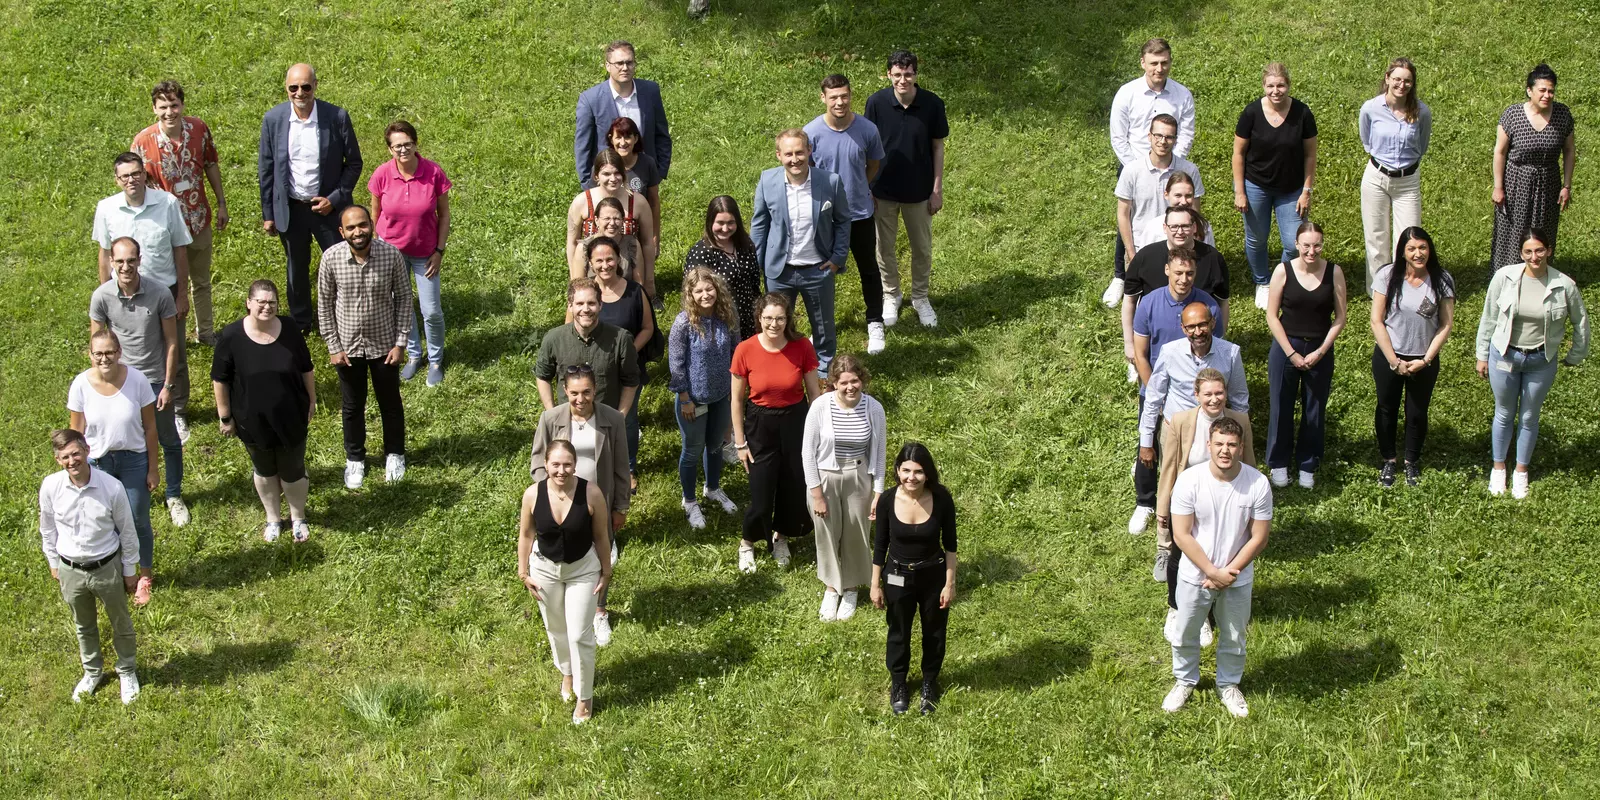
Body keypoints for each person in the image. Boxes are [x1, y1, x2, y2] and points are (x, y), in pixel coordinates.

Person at [1161, 416, 1271, 719]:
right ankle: (1185, 680)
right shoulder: (1190, 480)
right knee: (1185, 633)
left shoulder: (1257, 483)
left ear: (1241, 447)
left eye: (1232, 444)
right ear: (1208, 445)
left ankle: (1228, 685)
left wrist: (1228, 573)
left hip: (1237, 578)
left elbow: (1259, 537)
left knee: (1234, 636)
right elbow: (1181, 534)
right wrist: (1211, 571)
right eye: (1219, 443)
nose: (1225, 450)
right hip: (1195, 575)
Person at [1475, 230, 1590, 498]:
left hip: (1541, 360)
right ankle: (1499, 468)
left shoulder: (1564, 285)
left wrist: (1576, 354)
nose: (1534, 256)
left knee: (1529, 416)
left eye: (1539, 250)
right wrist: (1482, 354)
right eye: (1528, 251)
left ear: (1548, 250)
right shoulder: (1504, 277)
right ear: (1521, 253)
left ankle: (1521, 472)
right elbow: (1489, 316)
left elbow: (1580, 323)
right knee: (1503, 413)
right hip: (1504, 356)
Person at [92, 153, 193, 443]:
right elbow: (104, 253)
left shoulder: (167, 203)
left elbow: (180, 249)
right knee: (125, 351)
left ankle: (177, 409)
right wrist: (105, 295)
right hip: (122, 296)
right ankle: (131, 405)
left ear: (145, 174)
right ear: (117, 180)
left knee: (174, 351)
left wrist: (183, 294)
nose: (131, 180)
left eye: (136, 174)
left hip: (165, 292)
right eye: (124, 176)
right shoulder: (107, 208)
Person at [38, 428, 142, 705]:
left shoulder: (111, 487)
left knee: (120, 621)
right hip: (70, 568)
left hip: (107, 566)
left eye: (75, 453)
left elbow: (128, 532)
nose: (71, 461)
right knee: (83, 625)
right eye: (64, 457)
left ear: (86, 450)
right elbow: (47, 529)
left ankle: (127, 670)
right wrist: (53, 563)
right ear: (57, 459)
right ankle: (92, 672)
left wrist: (130, 570)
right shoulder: (51, 487)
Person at [89, 238, 188, 529]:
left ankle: (174, 496)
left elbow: (172, 342)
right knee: (124, 441)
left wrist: (169, 385)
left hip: (155, 380)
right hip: (120, 382)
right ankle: (120, 495)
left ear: (139, 260)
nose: (125, 267)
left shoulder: (159, 294)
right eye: (119, 261)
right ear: (111, 263)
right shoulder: (102, 296)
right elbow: (97, 344)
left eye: (131, 260)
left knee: (168, 438)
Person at [258, 63, 363, 332]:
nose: (300, 93)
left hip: (328, 209)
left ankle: (344, 317)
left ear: (316, 85)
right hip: (291, 208)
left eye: (306, 87)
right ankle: (301, 322)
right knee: (296, 267)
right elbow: (266, 168)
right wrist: (268, 214)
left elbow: (354, 163)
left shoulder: (336, 117)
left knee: (340, 264)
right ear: (286, 89)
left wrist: (335, 198)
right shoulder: (273, 120)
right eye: (294, 88)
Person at [529, 368, 629, 648]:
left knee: (601, 555)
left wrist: (620, 506)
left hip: (598, 503)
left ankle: (599, 610)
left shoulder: (612, 419)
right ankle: (568, 610)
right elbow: (538, 462)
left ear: (595, 390)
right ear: (564, 391)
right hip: (562, 507)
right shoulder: (550, 419)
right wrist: (551, 493)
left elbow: (622, 466)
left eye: (586, 392)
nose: (580, 399)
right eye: (574, 393)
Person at [211, 280, 316, 542]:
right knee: (264, 470)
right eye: (261, 302)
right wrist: (225, 416)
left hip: (291, 416)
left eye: (272, 302)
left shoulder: (290, 328)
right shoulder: (231, 336)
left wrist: (311, 401)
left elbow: (306, 367)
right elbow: (220, 379)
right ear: (248, 303)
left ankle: (298, 517)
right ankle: (272, 519)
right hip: (251, 420)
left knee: (293, 470)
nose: (267, 307)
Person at [517, 439, 612, 725]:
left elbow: (601, 536)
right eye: (555, 464)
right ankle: (567, 673)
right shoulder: (532, 495)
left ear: (575, 465)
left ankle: (585, 698)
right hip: (544, 571)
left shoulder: (591, 493)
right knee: (556, 629)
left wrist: (606, 571)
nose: (561, 470)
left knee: (578, 635)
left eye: (567, 464)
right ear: (545, 465)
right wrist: (524, 572)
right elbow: (525, 535)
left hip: (582, 569)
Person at [317, 205, 411, 490]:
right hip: (348, 349)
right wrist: (333, 346)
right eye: (351, 228)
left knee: (390, 404)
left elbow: (405, 298)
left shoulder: (390, 255)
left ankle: (394, 454)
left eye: (362, 225)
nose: (358, 232)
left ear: (371, 224)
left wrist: (400, 342)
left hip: (384, 346)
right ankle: (355, 458)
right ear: (342, 232)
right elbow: (324, 305)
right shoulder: (331, 259)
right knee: (352, 406)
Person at [1129, 251, 1222, 533]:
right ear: (1167, 270)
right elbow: (1141, 354)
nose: (1184, 279)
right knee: (1148, 448)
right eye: (1178, 273)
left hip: (1194, 396)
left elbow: (1210, 353)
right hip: (1155, 388)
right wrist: (1158, 397)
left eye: (1190, 274)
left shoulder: (1207, 305)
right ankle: (1145, 503)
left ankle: (1197, 505)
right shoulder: (1150, 303)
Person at [731, 293, 823, 572]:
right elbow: (736, 400)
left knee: (792, 485)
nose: (774, 324)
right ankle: (747, 543)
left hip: (795, 421)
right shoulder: (745, 350)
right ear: (759, 318)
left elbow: (814, 393)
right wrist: (739, 442)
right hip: (760, 425)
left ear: (787, 319)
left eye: (780, 318)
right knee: (760, 492)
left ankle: (779, 536)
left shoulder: (802, 346)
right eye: (768, 318)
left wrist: (818, 434)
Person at [1137, 301, 1247, 534]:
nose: (1198, 332)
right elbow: (1154, 398)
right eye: (1191, 327)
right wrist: (1146, 441)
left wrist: (1239, 437)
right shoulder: (1170, 352)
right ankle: (1167, 544)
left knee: (1215, 484)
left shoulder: (1230, 353)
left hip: (1216, 430)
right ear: (1183, 328)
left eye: (1203, 325)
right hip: (1176, 431)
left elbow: (1239, 399)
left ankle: (1211, 533)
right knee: (1173, 485)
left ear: (1213, 323)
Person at [131, 80, 227, 345]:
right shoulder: (142, 142)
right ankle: (173, 336)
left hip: (198, 220)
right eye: (163, 106)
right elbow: (135, 186)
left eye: (174, 105)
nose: (169, 112)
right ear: (154, 109)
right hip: (165, 228)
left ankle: (206, 333)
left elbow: (211, 164)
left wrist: (221, 203)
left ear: (182, 105)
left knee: (201, 282)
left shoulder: (198, 129)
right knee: (167, 284)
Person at [67, 330, 159, 607]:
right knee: (108, 521)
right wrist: (76, 470)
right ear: (90, 355)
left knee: (138, 520)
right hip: (98, 463)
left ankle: (144, 576)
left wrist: (153, 468)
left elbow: (151, 427)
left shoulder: (138, 380)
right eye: (98, 353)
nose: (104, 358)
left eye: (109, 352)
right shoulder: (81, 384)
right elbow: (76, 432)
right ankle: (118, 572)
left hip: (134, 459)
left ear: (119, 352)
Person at [750, 128, 851, 378]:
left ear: (809, 151)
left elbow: (843, 221)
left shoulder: (830, 182)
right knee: (776, 325)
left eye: (799, 152)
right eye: (788, 154)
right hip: (779, 271)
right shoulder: (767, 181)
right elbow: (760, 224)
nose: (794, 159)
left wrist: (837, 258)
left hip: (818, 269)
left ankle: (824, 373)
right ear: (778, 156)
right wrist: (759, 262)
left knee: (824, 327)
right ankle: (782, 371)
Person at [1106, 37, 1196, 306]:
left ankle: (1171, 269)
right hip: (1133, 165)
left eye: (1164, 62)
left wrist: (1172, 161)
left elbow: (1187, 133)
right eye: (1154, 63)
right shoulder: (1127, 93)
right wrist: (1138, 167)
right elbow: (1118, 136)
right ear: (1143, 63)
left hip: (1172, 166)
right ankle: (1122, 276)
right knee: (1131, 218)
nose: (1159, 68)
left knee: (1173, 216)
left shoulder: (1182, 95)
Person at [870, 441, 957, 715]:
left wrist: (949, 583)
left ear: (927, 473)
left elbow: (951, 543)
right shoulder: (886, 500)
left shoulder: (942, 499)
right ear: (897, 471)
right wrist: (875, 583)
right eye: (906, 470)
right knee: (898, 631)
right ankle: (899, 683)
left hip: (932, 575)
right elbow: (880, 544)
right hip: (896, 575)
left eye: (918, 471)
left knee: (934, 631)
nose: (911, 477)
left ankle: (930, 682)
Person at [1155, 369, 1255, 601]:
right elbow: (1169, 466)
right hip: (1189, 498)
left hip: (1228, 496)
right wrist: (1163, 507)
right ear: (1197, 394)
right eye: (1208, 393)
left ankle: (1221, 604)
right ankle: (1175, 605)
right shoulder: (1180, 421)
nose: (1214, 399)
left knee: (1225, 552)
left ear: (1226, 393)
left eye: (1219, 393)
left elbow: (1249, 461)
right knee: (1180, 554)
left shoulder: (1240, 420)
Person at [866, 49, 949, 328]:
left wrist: (936, 189)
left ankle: (920, 297)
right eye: (898, 74)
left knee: (922, 248)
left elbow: (938, 146)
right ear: (889, 74)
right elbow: (868, 148)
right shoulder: (876, 103)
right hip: (882, 192)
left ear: (916, 74)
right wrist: (867, 186)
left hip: (919, 192)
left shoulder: (932, 104)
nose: (903, 80)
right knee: (884, 248)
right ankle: (892, 295)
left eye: (909, 74)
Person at [806, 74, 889, 355]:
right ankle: (821, 327)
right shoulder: (812, 133)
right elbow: (806, 173)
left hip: (860, 213)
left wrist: (861, 187)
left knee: (869, 268)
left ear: (851, 95)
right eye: (834, 97)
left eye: (844, 96)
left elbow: (874, 165)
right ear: (823, 98)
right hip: (825, 217)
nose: (840, 102)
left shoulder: (867, 130)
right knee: (821, 273)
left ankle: (875, 321)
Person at [1264, 222, 1348, 489]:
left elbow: (1340, 317)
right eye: (1307, 245)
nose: (1312, 251)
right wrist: (1290, 352)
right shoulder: (1283, 270)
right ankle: (1279, 463)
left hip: (1320, 350)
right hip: (1285, 348)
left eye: (1317, 245)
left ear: (1322, 245)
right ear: (1297, 245)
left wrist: (1321, 351)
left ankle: (1307, 464)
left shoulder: (1334, 272)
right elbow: (1271, 315)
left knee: (1314, 409)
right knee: (1281, 406)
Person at [803, 353, 886, 622]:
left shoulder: (874, 408)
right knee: (827, 534)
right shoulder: (820, 407)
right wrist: (817, 494)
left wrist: (878, 492)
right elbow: (807, 453)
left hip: (858, 475)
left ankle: (850, 589)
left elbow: (881, 454)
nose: (850, 387)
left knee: (857, 533)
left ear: (862, 380)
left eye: (855, 381)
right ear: (833, 384)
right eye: (844, 382)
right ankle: (831, 587)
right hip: (825, 476)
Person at [369, 120, 452, 386]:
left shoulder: (433, 172)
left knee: (431, 311)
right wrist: (376, 245)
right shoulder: (381, 174)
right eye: (397, 146)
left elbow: (444, 214)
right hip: (391, 253)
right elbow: (375, 213)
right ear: (389, 149)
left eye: (407, 144)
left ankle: (436, 359)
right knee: (401, 308)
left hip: (425, 253)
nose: (403, 150)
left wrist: (439, 250)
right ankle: (415, 355)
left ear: (416, 144)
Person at [1370, 227, 1455, 487]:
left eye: (1423, 247)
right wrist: (1394, 361)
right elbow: (1376, 320)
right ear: (1403, 252)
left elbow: (1446, 324)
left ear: (1430, 249)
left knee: (1417, 412)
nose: (1418, 253)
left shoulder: (1442, 279)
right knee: (1387, 408)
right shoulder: (1387, 275)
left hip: (1423, 358)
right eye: (1412, 249)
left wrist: (1426, 360)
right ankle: (1388, 460)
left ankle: (1411, 461)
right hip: (1389, 355)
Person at [1232, 62, 1318, 309]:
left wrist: (1306, 191)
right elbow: (1238, 153)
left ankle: (1280, 277)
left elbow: (1310, 155)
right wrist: (1240, 191)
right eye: (1270, 86)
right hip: (1256, 185)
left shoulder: (1302, 113)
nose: (1276, 90)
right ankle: (1263, 282)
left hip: (1292, 189)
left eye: (1280, 85)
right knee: (1256, 239)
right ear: (1263, 86)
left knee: (1294, 243)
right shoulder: (1251, 113)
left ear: (1289, 86)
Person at [574, 236, 655, 487]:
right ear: (590, 262)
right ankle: (591, 465)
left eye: (610, 259)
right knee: (591, 417)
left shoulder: (634, 291)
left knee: (626, 420)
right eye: (598, 260)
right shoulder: (585, 294)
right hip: (591, 371)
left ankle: (627, 468)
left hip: (627, 370)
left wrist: (626, 352)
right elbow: (570, 327)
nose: (605, 265)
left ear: (618, 259)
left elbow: (647, 328)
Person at [1123, 205, 1231, 381]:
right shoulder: (1146, 258)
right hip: (1156, 356)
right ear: (1165, 228)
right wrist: (1129, 345)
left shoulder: (1212, 259)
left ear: (1194, 227)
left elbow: (1222, 304)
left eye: (1185, 226)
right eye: (1174, 226)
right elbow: (1130, 300)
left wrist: (1218, 340)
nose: (1184, 279)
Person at [669, 267, 741, 528]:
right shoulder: (683, 323)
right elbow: (676, 364)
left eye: (709, 288)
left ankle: (712, 488)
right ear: (690, 294)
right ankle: (689, 501)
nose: (705, 294)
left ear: (717, 289)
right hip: (693, 398)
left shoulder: (727, 318)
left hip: (721, 395)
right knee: (692, 449)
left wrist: (735, 391)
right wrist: (685, 398)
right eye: (698, 290)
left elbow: (737, 353)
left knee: (715, 445)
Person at [1490, 64, 1576, 272]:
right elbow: (1500, 152)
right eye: (1542, 90)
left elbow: (1570, 150)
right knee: (1513, 230)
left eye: (1551, 90)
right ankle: (1507, 274)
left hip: (1549, 180)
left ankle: (1539, 273)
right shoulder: (1513, 115)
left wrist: (1566, 186)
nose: (1547, 95)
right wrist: (1498, 186)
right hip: (1517, 180)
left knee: (1543, 229)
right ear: (1530, 91)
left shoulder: (1563, 115)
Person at [534, 278, 642, 438]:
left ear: (600, 305)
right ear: (570, 306)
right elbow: (543, 376)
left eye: (591, 303)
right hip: (567, 426)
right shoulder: (554, 339)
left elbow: (631, 381)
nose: (586, 309)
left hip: (605, 427)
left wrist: (620, 417)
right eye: (579, 304)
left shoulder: (620, 339)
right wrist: (552, 414)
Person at [1359, 57, 1430, 294]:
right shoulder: (1370, 108)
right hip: (1376, 177)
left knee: (1410, 239)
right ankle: (1379, 291)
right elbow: (1366, 139)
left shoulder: (1421, 111)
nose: (1402, 85)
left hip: (1408, 181)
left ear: (1413, 83)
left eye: (1407, 81)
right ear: (1387, 79)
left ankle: (1405, 289)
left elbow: (1422, 144)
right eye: (1397, 79)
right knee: (1376, 238)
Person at [566, 149, 658, 304]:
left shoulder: (639, 202)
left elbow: (648, 242)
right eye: (606, 174)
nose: (613, 179)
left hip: (628, 269)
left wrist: (649, 282)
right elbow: (572, 243)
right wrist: (575, 278)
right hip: (593, 271)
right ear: (596, 176)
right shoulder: (581, 202)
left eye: (617, 173)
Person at [575, 41, 672, 187]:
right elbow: (583, 147)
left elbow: (661, 134)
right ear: (607, 66)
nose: (625, 68)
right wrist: (588, 184)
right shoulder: (590, 99)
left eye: (629, 62)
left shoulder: (650, 91)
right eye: (619, 63)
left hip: (643, 178)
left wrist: (660, 172)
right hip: (607, 182)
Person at [1115, 114, 1203, 265]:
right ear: (1149, 136)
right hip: (1141, 248)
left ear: (1175, 140)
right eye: (1158, 136)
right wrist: (1131, 253)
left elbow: (1195, 212)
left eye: (1169, 137)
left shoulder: (1189, 170)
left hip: (1179, 249)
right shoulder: (1131, 171)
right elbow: (1123, 215)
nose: (1163, 141)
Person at [685, 196, 763, 341]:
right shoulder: (701, 253)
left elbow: (755, 284)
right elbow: (693, 295)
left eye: (730, 223)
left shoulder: (746, 245)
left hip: (749, 319)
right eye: (720, 223)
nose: (725, 229)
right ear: (710, 222)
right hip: (721, 323)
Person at [586, 117, 662, 247]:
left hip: (636, 230)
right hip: (607, 229)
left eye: (627, 137)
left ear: (636, 139)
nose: (623, 142)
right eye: (618, 137)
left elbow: (654, 202)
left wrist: (655, 235)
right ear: (611, 139)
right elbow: (592, 200)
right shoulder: (602, 165)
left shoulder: (647, 164)